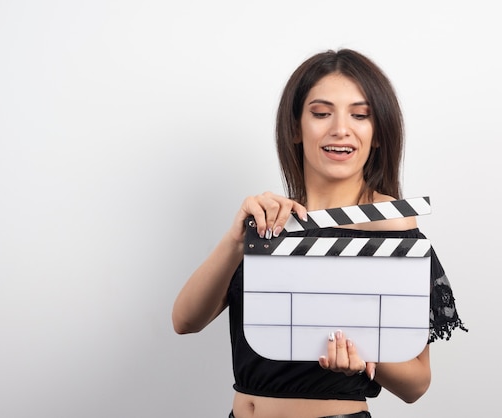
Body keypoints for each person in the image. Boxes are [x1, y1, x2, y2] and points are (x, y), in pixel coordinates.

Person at [172, 48, 467, 418]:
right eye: (321, 113)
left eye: (360, 115)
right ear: (296, 127)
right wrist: (235, 240)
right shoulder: (270, 221)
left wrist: (364, 354)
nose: (340, 128)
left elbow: (417, 383)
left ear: (377, 134)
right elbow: (185, 321)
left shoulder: (394, 230)